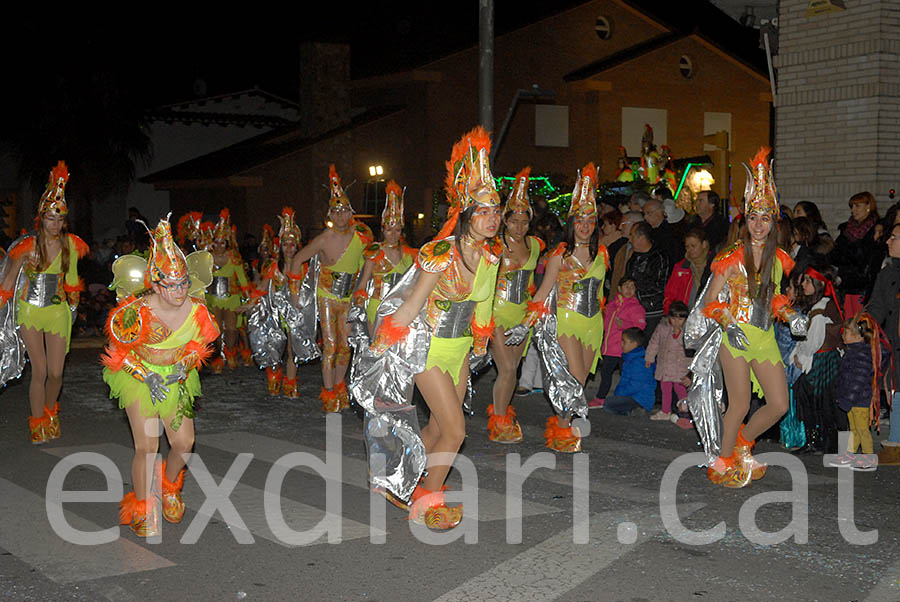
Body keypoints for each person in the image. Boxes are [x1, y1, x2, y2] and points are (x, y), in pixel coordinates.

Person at [366, 126, 501, 528]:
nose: (492, 219)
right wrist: (381, 344)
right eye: (484, 212)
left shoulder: (492, 258)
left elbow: (484, 305)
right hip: (427, 349)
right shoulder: (440, 252)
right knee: (457, 431)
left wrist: (480, 342)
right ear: (465, 214)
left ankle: (396, 478)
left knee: (439, 427)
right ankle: (428, 500)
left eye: (496, 211)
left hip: (459, 350)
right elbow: (412, 303)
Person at [103, 216, 219, 537]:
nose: (179, 290)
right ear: (154, 284)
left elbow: (205, 342)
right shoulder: (135, 311)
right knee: (148, 446)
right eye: (171, 284)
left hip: (177, 379)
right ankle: (141, 504)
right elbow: (118, 354)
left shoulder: (197, 309)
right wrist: (146, 377)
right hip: (139, 379)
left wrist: (187, 363)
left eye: (183, 282)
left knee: (184, 443)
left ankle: (169, 485)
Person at [699, 148, 806, 488]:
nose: (758, 224)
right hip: (734, 338)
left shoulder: (777, 258)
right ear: (745, 219)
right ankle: (722, 461)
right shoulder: (731, 257)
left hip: (763, 337)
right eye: (753, 217)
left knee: (778, 404)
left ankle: (743, 444)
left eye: (765, 217)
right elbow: (711, 302)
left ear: (773, 221)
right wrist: (729, 325)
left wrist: (790, 314)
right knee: (741, 402)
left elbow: (771, 297)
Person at [0, 161, 88, 444]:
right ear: (41, 218)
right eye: (50, 218)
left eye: (59, 219)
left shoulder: (71, 245)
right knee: (38, 370)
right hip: (29, 312)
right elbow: (8, 284)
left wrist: (74, 309)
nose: (55, 223)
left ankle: (51, 411)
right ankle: (37, 420)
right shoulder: (25, 248)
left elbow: (73, 281)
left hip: (57, 312)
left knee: (56, 371)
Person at [528, 163, 609, 452]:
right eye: (579, 221)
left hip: (592, 324)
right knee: (573, 376)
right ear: (571, 224)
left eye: (589, 221)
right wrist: (524, 322)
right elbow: (542, 292)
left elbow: (601, 293)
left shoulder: (602, 254)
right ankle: (569, 426)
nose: (585, 226)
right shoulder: (559, 256)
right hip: (566, 320)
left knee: (580, 381)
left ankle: (564, 426)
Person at [290, 165, 372, 412]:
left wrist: (363, 291)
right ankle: (327, 392)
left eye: (344, 211)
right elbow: (297, 259)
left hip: (347, 299)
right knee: (329, 345)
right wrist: (295, 293)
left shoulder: (362, 236)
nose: (340, 217)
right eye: (336, 212)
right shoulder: (324, 238)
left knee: (345, 347)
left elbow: (367, 265)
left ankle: (339, 387)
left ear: (351, 213)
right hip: (326, 297)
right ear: (330, 214)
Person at [486, 167, 544, 443]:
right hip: (496, 313)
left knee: (513, 370)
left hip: (521, 316)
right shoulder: (493, 245)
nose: (519, 227)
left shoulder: (535, 245)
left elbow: (533, 282)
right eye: (514, 222)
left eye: (524, 222)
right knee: (507, 369)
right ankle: (498, 421)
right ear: (504, 222)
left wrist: (530, 317)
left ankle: (503, 413)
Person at [789, 267, 844, 454]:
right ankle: (816, 441)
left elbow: (812, 342)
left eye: (806, 281)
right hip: (820, 358)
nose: (802, 285)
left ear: (818, 284)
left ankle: (824, 443)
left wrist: (800, 357)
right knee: (811, 398)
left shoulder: (821, 309)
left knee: (822, 402)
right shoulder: (818, 306)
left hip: (823, 359)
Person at [352, 180, 417, 336]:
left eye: (397, 230)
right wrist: (360, 298)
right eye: (389, 230)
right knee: (377, 350)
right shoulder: (374, 252)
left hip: (401, 308)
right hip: (378, 307)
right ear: (383, 229)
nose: (393, 234)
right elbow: (362, 284)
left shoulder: (411, 255)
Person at [828, 313, 883, 471]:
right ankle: (851, 454)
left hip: (859, 399)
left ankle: (868, 457)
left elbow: (858, 381)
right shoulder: (852, 351)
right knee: (854, 428)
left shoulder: (860, 355)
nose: (842, 335)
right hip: (852, 399)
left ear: (857, 336)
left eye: (845, 332)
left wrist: (848, 399)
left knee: (862, 429)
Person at [866, 221, 900, 465]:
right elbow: (876, 308)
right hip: (894, 345)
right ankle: (895, 444)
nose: (888, 241)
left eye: (894, 237)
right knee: (896, 391)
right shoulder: (887, 273)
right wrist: (861, 325)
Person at [205, 209, 251, 372]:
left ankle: (230, 353)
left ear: (228, 243)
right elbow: (202, 278)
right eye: (216, 242)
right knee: (215, 331)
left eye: (222, 242)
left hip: (231, 298)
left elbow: (242, 279)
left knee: (231, 330)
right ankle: (217, 359)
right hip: (213, 299)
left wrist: (248, 298)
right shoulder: (207, 257)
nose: (219, 246)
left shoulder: (233, 257)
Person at [590, 277, 645, 408]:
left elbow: (640, 328)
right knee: (606, 374)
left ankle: (625, 399)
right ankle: (600, 398)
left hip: (625, 349)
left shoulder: (636, 307)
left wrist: (625, 325)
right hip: (610, 348)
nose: (629, 289)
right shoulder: (611, 306)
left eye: (632, 286)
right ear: (619, 288)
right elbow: (603, 324)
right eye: (626, 286)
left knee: (626, 375)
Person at [832, 191, 880, 317]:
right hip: (845, 286)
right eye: (852, 206)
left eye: (857, 206)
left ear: (868, 206)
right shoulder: (846, 229)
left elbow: (867, 261)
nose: (853, 210)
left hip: (863, 288)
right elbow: (835, 255)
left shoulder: (876, 230)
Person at [645, 301, 691, 422]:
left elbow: (691, 351)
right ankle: (666, 411)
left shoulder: (688, 332)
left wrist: (691, 370)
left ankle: (686, 411)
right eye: (674, 319)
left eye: (680, 319)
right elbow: (654, 343)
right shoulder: (662, 329)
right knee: (665, 389)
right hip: (665, 365)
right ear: (669, 318)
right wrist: (649, 357)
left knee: (680, 389)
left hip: (680, 367)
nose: (677, 322)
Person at [625, 221, 668, 335]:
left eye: (632, 235)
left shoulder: (659, 257)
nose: (629, 239)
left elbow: (660, 287)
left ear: (642, 237)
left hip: (651, 313)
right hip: (632, 310)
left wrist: (635, 292)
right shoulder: (634, 257)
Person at [602, 327, 655, 415]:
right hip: (634, 396)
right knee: (609, 404)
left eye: (624, 341)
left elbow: (636, 385)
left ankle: (635, 410)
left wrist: (620, 392)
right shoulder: (631, 358)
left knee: (608, 404)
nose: (622, 344)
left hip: (639, 398)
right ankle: (632, 411)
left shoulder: (639, 361)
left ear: (634, 344)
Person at [663, 227, 712, 314]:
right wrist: (674, 314)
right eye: (687, 246)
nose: (690, 250)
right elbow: (669, 294)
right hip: (685, 316)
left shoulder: (714, 264)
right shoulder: (682, 267)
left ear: (704, 244)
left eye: (693, 246)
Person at [643, 197, 683, 269]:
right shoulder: (650, 231)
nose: (645, 217)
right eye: (644, 213)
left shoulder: (670, 233)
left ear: (659, 213)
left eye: (648, 213)